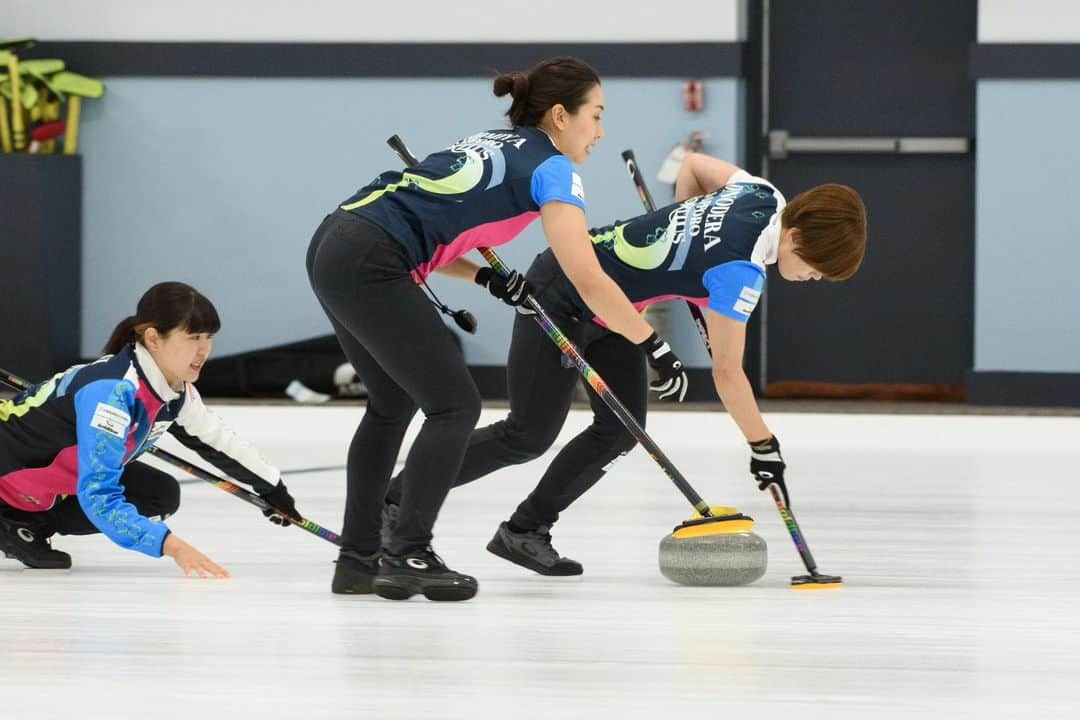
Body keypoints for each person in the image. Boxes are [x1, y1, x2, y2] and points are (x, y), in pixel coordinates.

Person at [307, 56, 686, 601]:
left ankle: (359, 560)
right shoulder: (555, 169)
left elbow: (431, 230)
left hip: (337, 240)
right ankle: (408, 549)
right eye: (595, 116)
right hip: (373, 256)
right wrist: (651, 342)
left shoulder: (490, 141)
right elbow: (586, 275)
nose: (600, 132)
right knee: (455, 405)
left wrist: (485, 276)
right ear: (560, 115)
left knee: (391, 406)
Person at [384, 152, 867, 575]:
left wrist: (682, 225)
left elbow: (693, 168)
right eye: (816, 269)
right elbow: (728, 373)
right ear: (797, 235)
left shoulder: (759, 193)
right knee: (527, 434)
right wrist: (763, 446)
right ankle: (395, 503)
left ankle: (525, 530)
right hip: (561, 289)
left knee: (621, 428)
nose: (811, 279)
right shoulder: (741, 270)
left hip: (613, 312)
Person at [0, 282, 300, 577]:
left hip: (43, 479)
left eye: (208, 337)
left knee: (158, 495)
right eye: (194, 337)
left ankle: (27, 524)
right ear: (154, 338)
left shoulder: (174, 389)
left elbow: (217, 441)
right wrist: (173, 547)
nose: (204, 350)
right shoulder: (113, 393)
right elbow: (99, 496)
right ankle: (10, 518)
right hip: (8, 476)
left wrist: (272, 490)